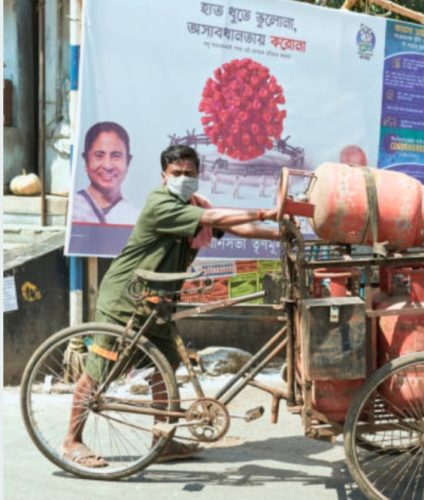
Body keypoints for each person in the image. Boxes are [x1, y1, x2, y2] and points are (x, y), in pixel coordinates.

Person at [62, 144, 280, 467]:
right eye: (176, 173)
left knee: (166, 367)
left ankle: (161, 440)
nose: (183, 178)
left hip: (158, 303)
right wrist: (265, 212)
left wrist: (276, 234)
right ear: (164, 176)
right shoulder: (161, 204)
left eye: (189, 174)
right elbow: (214, 217)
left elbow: (231, 225)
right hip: (127, 299)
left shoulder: (192, 205)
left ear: (197, 176)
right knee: (100, 372)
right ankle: (71, 441)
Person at [73, 121, 139, 224]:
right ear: (86, 160)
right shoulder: (74, 208)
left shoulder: (135, 217)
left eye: (116, 155)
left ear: (128, 162)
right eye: (99, 155)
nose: (108, 165)